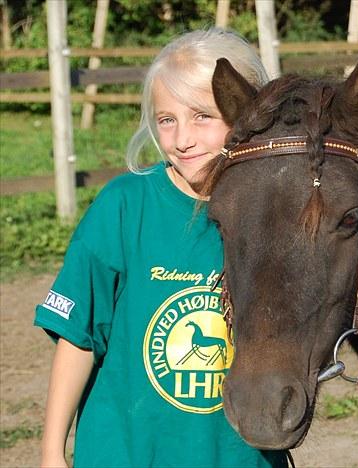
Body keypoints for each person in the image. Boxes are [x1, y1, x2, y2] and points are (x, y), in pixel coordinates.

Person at [35, 28, 285, 467]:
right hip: (127, 453)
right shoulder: (125, 207)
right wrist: (52, 452)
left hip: (235, 455)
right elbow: (78, 336)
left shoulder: (275, 215)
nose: (181, 139)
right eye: (167, 120)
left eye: (202, 116)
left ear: (246, 114)